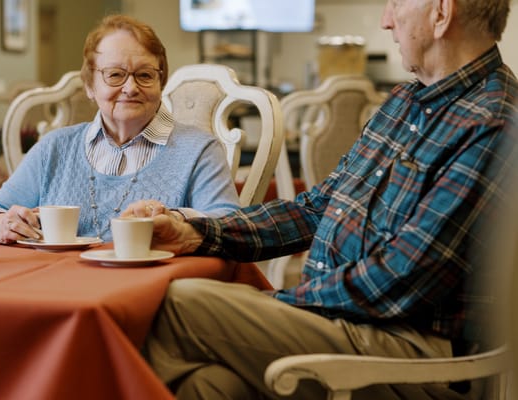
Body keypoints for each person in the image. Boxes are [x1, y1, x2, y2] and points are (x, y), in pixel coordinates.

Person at [122, 1, 518, 399]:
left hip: (412, 351)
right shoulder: (404, 102)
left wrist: (281, 302)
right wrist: (196, 232)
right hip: (341, 326)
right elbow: (315, 208)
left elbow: (401, 277)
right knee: (204, 386)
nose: (385, 20)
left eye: (395, 4)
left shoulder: (493, 122)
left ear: (441, 13)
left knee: (176, 302)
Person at [0, 15, 239, 244]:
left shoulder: (200, 150)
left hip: (153, 289)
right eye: (115, 75)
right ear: (89, 86)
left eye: (145, 75)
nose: (130, 87)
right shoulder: (54, 147)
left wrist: (176, 219)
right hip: (55, 288)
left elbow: (230, 226)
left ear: (161, 83)